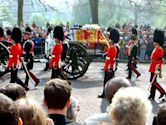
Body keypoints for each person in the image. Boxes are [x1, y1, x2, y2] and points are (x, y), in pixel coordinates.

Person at [98, 28, 120, 98]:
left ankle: (105, 93)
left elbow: (112, 59)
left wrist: (110, 67)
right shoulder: (113, 47)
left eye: (110, 39)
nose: (109, 40)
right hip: (108, 65)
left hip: (109, 66)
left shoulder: (113, 47)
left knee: (107, 81)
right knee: (109, 81)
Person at [148, 29, 166, 101]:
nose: (153, 41)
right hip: (153, 65)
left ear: (157, 41)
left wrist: (157, 70)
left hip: (156, 67)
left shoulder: (160, 50)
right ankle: (152, 95)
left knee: (153, 82)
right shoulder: (156, 48)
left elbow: (159, 61)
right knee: (153, 81)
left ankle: (163, 92)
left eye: (154, 40)